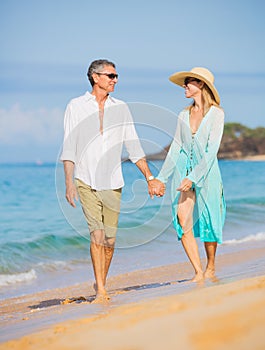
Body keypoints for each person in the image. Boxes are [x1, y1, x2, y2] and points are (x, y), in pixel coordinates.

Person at [60, 59, 157, 302]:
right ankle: (102, 289)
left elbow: (133, 145)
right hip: (85, 179)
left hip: (113, 181)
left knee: (111, 240)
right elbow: (69, 147)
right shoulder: (76, 106)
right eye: (110, 76)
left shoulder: (121, 107)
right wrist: (69, 182)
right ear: (95, 77)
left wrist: (149, 177)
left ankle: (100, 281)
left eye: (116, 76)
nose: (115, 80)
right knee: (97, 234)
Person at [151, 67, 226, 282]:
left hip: (207, 173)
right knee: (183, 220)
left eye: (189, 82)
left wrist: (193, 177)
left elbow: (212, 151)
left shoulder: (216, 114)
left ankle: (211, 266)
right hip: (181, 172)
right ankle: (198, 272)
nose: (185, 86)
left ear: (201, 85)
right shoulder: (183, 114)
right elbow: (176, 147)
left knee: (209, 219)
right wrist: (161, 178)